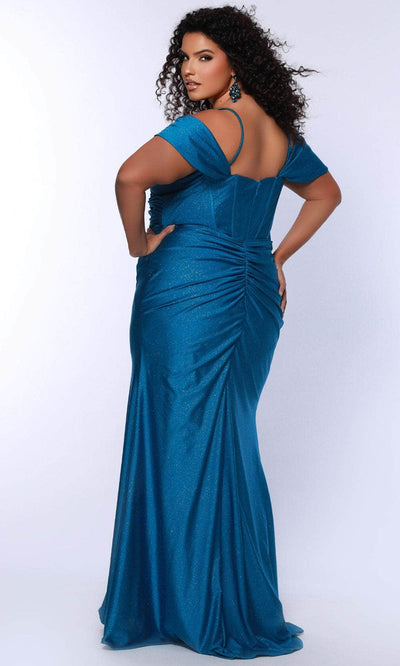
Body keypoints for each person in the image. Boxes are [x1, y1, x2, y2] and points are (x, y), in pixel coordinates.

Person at [98, 5, 341, 660]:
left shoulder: (209, 127)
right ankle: (226, 595)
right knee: (226, 437)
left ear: (237, 62)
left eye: (204, 56)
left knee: (181, 437)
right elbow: (325, 193)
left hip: (187, 294)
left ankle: (186, 603)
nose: (188, 68)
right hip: (253, 295)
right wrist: (276, 257)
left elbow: (129, 176)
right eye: (184, 57)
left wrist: (138, 243)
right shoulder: (278, 135)